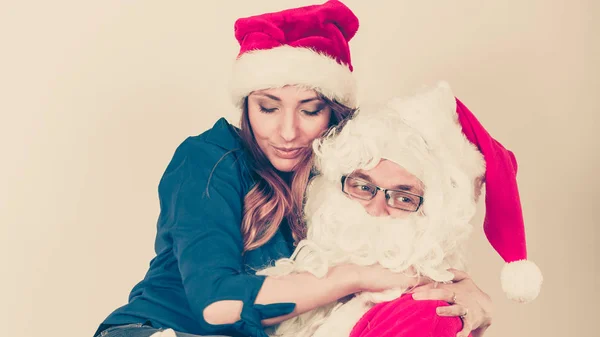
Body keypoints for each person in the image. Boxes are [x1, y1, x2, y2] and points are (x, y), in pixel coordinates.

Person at [93, 2, 506, 337]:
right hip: (160, 329)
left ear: (335, 112)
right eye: (267, 108)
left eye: (310, 110)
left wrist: (468, 294)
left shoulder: (345, 168)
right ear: (246, 105)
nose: (287, 132)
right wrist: (355, 276)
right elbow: (217, 305)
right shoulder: (208, 159)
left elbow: (409, 233)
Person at [253, 82, 541, 337]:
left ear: (434, 217)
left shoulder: (426, 312)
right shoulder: (309, 271)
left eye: (403, 198)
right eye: (363, 187)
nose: (375, 210)